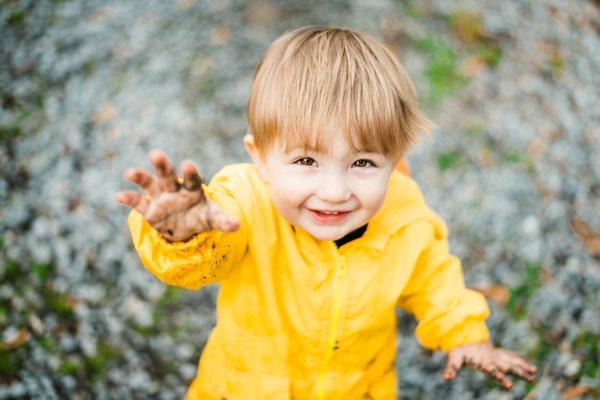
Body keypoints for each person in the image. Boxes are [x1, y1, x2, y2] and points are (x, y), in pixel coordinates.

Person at [116, 26, 537, 399]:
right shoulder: (242, 202)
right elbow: (201, 263)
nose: (334, 192)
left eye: (363, 163)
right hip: (246, 388)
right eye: (305, 162)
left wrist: (464, 334)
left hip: (358, 387)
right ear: (259, 158)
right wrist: (182, 235)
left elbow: (432, 277)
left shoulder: (403, 212)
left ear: (395, 159)